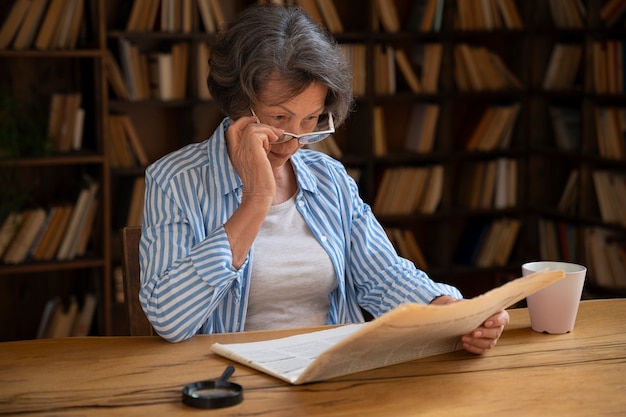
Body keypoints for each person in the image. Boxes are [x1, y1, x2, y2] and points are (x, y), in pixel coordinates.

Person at [138, 3, 509, 351]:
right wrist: (255, 200)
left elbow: (383, 277)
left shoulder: (329, 177)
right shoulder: (175, 181)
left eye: (310, 119)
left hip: (329, 373)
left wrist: (452, 310)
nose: (293, 142)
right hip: (231, 383)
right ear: (237, 103)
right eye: (279, 119)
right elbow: (170, 319)